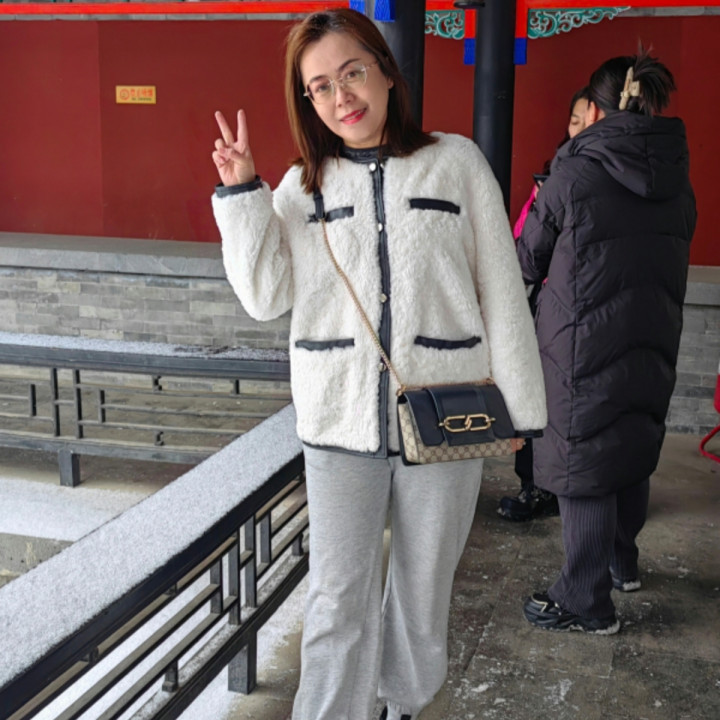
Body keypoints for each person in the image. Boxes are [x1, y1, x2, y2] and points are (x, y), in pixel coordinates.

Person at [210, 9, 546, 719]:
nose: (342, 97)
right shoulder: (302, 187)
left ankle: (404, 707)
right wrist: (241, 193)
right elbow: (265, 297)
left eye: (353, 72)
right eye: (321, 87)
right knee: (337, 598)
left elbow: (501, 290)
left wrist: (519, 412)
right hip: (339, 422)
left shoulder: (456, 163)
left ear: (387, 72)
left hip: (449, 412)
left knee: (423, 591)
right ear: (308, 101)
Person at [517, 48, 696, 634]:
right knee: (630, 446)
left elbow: (527, 258)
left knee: (584, 459)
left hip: (581, 343)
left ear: (595, 110)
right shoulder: (677, 180)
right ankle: (623, 562)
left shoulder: (573, 173)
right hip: (653, 336)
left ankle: (584, 600)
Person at [497, 86, 590, 522]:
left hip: (586, 306)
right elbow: (525, 248)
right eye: (573, 121)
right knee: (537, 394)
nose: (579, 130)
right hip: (548, 306)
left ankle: (565, 490)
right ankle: (534, 485)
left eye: (587, 121)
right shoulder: (554, 177)